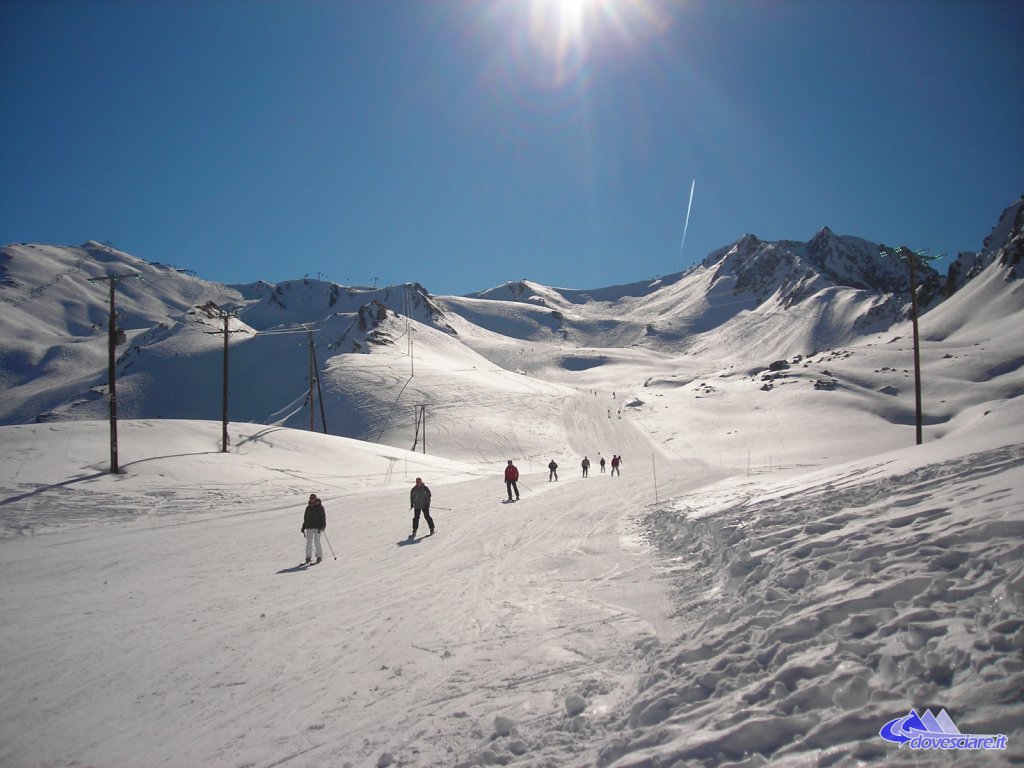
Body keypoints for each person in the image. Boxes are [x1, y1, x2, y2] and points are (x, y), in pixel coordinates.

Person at [301, 493, 326, 564]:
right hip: (309, 527)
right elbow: (305, 519)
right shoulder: (308, 508)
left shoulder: (320, 507)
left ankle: (319, 557)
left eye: (312, 498)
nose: (311, 499)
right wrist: (303, 527)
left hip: (317, 527)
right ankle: (308, 558)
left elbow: (323, 517)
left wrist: (323, 526)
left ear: (315, 499)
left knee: (316, 542)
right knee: (308, 543)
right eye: (310, 498)